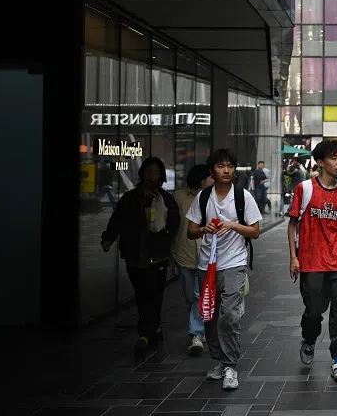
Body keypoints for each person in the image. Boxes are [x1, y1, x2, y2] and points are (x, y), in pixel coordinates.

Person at [287, 140, 337, 382]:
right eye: (334, 157)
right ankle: (309, 339)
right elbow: (292, 225)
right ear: (321, 162)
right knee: (313, 311)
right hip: (311, 261)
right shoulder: (304, 189)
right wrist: (293, 257)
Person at [186, 149, 262, 391]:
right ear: (212, 170)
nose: (226, 170)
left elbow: (255, 231)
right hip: (206, 265)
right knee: (209, 315)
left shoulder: (243, 197)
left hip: (234, 264)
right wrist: (204, 229)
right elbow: (190, 231)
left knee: (229, 314)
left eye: (230, 166)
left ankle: (230, 365)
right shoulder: (203, 197)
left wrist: (233, 225)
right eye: (221, 166)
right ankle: (219, 360)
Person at [101, 157, 180, 357]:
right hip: (134, 256)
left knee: (155, 294)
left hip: (158, 256)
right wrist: (108, 239)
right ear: (142, 174)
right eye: (148, 171)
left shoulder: (166, 199)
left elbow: (174, 224)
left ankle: (144, 333)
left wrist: (163, 226)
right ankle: (154, 327)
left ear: (161, 177)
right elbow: (117, 219)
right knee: (142, 294)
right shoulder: (130, 198)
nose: (151, 176)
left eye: (156, 172)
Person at [172, 164, 215, 356]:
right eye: (210, 177)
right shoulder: (179, 197)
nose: (214, 180)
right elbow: (173, 224)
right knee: (190, 297)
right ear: (201, 180)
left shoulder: (214, 198)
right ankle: (201, 327)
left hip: (205, 256)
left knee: (198, 296)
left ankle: (196, 334)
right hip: (184, 253)